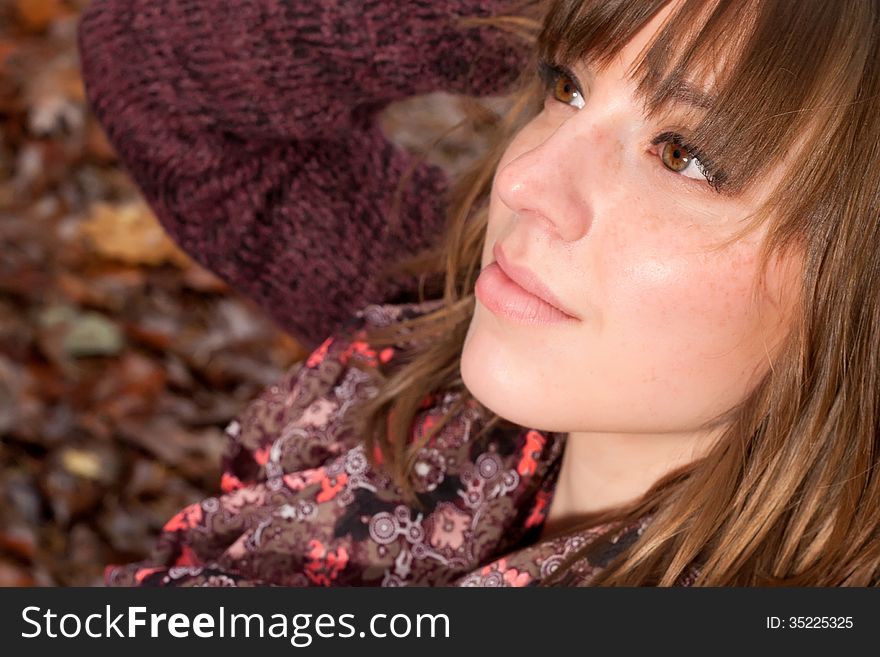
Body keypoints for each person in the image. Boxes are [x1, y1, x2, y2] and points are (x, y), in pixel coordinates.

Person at [77, 0, 880, 587]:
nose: (526, 180)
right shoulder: (447, 320)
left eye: (683, 156)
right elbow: (155, 74)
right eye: (565, 86)